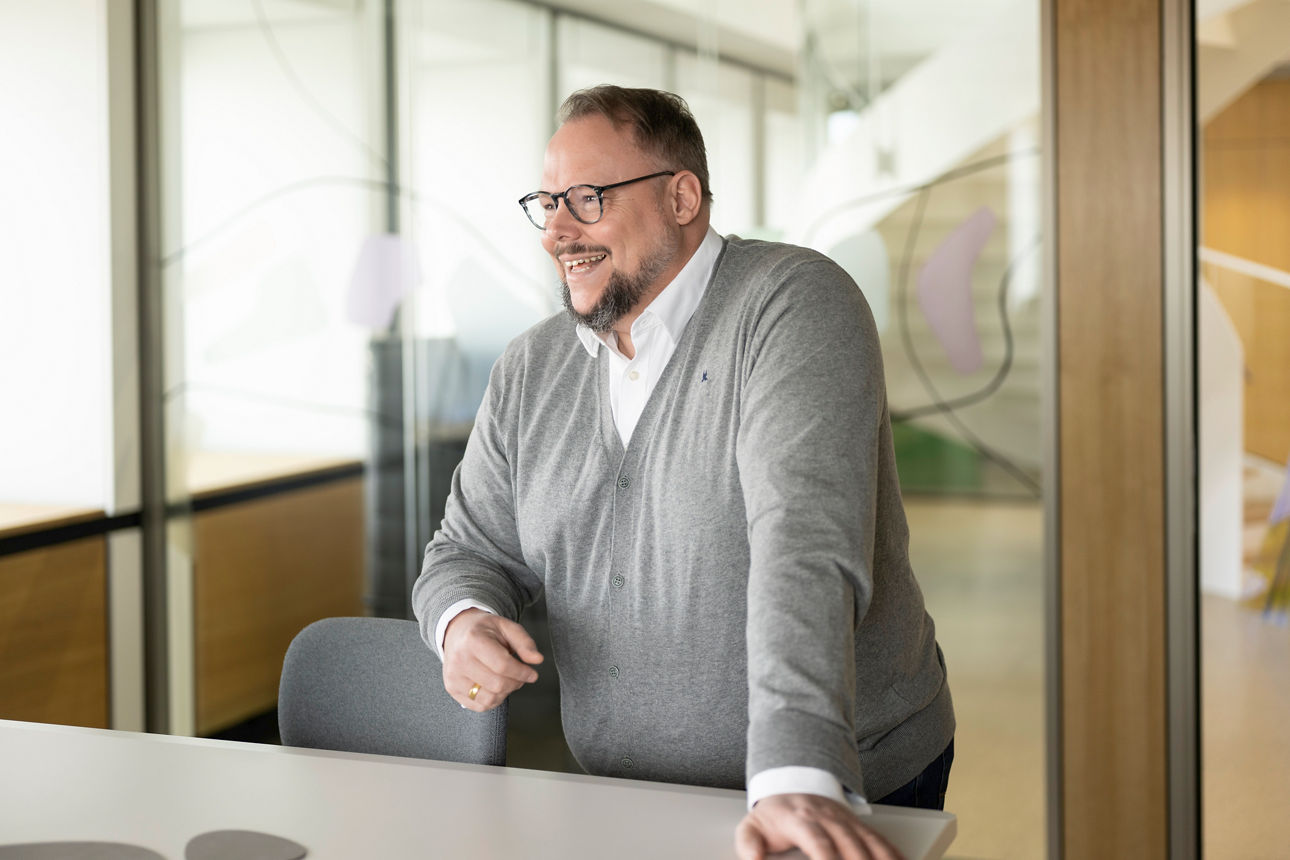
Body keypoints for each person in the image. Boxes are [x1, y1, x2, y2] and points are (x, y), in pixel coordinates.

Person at [411, 85, 954, 860]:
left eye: (588, 198)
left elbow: (804, 544)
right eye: (546, 202)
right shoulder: (531, 368)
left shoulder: (793, 305)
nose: (556, 232)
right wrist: (461, 621)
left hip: (831, 785)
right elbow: (465, 551)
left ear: (682, 196)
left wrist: (798, 770)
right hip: (620, 795)